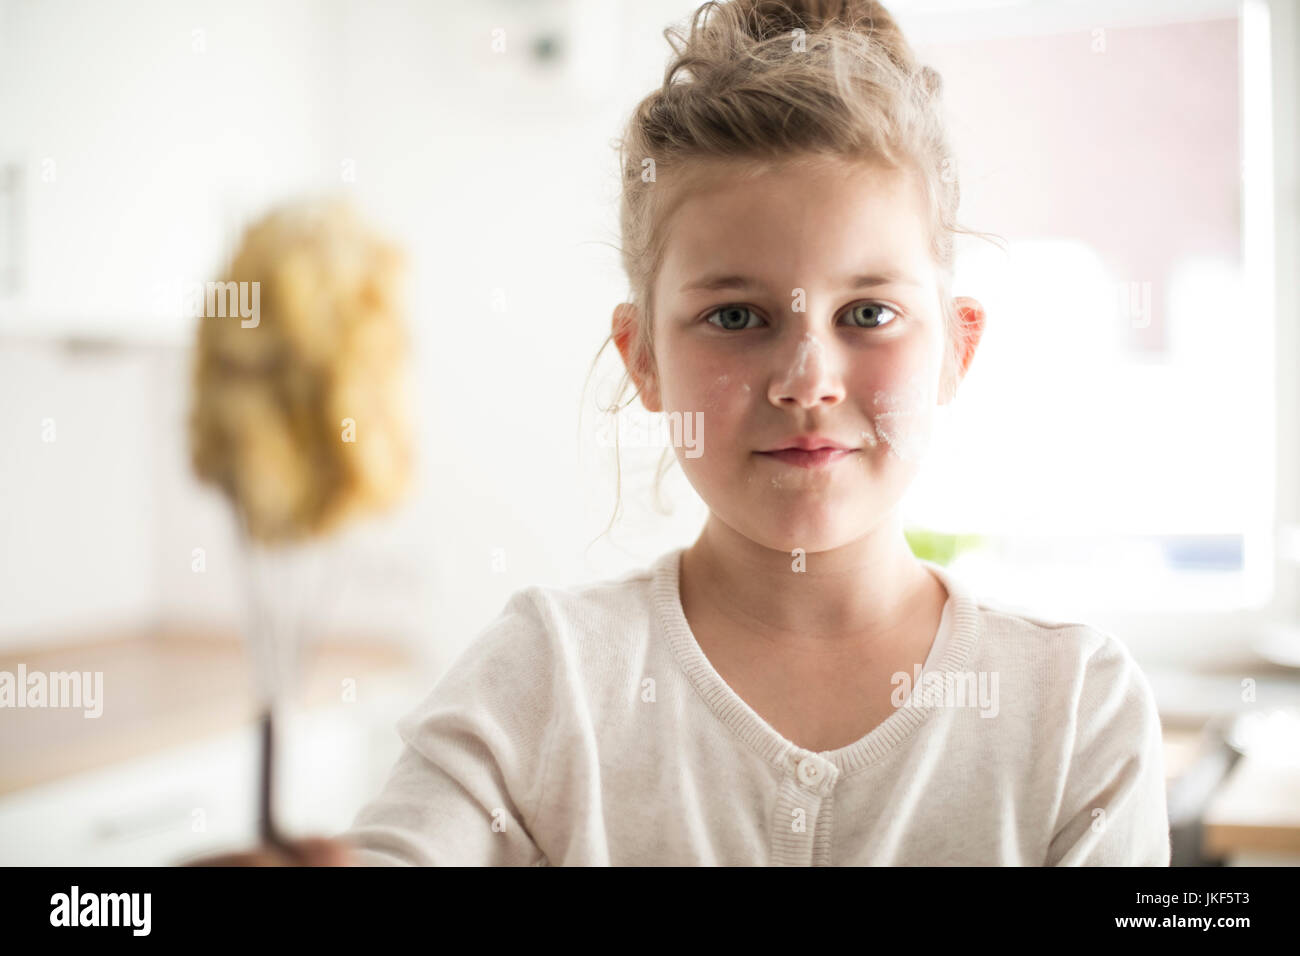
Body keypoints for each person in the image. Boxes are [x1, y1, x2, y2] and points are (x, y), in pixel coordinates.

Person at [191, 0, 1170, 867]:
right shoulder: (546, 676)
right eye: (736, 317)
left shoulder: (1073, 708)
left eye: (867, 313)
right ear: (642, 358)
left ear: (957, 349)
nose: (805, 381)